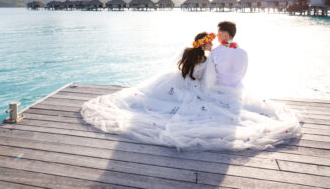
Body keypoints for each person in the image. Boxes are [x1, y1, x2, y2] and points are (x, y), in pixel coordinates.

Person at [80, 25, 302, 152]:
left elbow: (180, 69)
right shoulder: (207, 59)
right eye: (209, 42)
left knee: (154, 102)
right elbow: (208, 81)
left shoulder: (187, 52)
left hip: (176, 82)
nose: (212, 44)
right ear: (204, 43)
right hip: (192, 87)